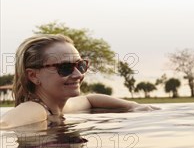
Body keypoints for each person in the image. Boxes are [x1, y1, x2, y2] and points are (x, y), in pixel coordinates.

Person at [0, 34, 156, 129]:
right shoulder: (34, 110)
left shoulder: (60, 108)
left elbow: (90, 100)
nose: (78, 74)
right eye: (65, 67)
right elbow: (4, 126)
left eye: (81, 65)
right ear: (34, 76)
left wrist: (134, 106)